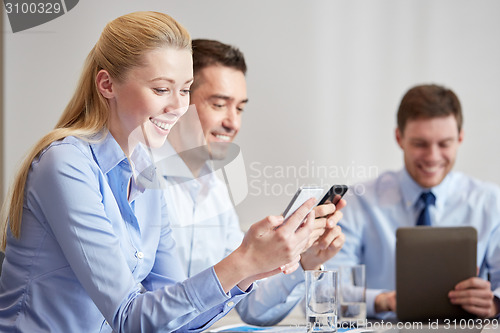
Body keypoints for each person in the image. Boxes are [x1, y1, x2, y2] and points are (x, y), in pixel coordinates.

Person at [0, 12, 320, 332]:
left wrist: (252, 269)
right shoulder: (66, 165)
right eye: (161, 89)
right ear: (107, 84)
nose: (179, 108)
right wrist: (243, 261)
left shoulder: (147, 175)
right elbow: (128, 319)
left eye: (184, 90)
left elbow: (173, 320)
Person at [159, 39, 346, 326]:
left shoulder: (215, 191)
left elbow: (250, 306)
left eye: (240, 108)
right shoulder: (139, 182)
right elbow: (151, 314)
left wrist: (303, 260)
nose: (233, 123)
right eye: (219, 104)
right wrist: (249, 258)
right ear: (180, 98)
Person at [327, 83, 500, 320]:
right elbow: (323, 293)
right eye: (420, 144)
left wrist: (495, 304)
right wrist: (383, 300)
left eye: (444, 143)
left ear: (460, 138)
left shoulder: (491, 202)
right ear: (399, 138)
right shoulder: (358, 202)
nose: (432, 156)